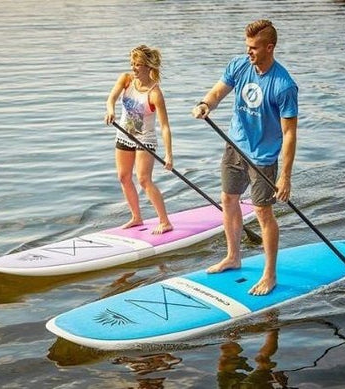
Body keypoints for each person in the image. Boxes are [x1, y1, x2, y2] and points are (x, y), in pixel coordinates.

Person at [192, 19, 298, 295]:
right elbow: (217, 93)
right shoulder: (239, 65)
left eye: (253, 47)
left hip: (264, 157)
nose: (248, 51)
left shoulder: (284, 85)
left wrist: (285, 176)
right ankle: (233, 256)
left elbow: (289, 134)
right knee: (228, 200)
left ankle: (270, 274)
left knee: (263, 212)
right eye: (246, 46)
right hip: (235, 146)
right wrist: (205, 104)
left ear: (269, 48)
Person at [105, 45, 174, 234]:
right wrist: (110, 110)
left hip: (145, 140)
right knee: (123, 177)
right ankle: (136, 217)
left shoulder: (154, 93)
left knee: (143, 180)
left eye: (138, 65)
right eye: (132, 64)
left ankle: (165, 221)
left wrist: (169, 155)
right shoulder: (126, 80)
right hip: (124, 136)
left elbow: (165, 126)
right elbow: (111, 99)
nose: (134, 68)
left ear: (148, 67)